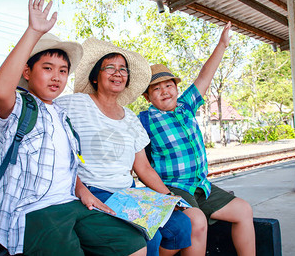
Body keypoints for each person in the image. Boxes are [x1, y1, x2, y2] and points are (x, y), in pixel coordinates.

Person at [0, 0, 147, 256]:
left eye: (63, 70)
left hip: (70, 203)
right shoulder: (19, 107)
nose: (57, 76)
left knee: (132, 245)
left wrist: (84, 193)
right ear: (27, 73)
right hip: (33, 210)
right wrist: (33, 32)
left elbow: (65, 167)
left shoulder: (61, 115)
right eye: (47, 68)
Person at [56, 38, 207, 256]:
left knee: (182, 225)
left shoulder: (131, 118)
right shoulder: (74, 104)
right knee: (151, 236)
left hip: (128, 192)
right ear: (95, 77)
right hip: (94, 189)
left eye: (123, 70)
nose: (118, 73)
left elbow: (144, 168)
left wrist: (168, 197)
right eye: (110, 68)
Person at [139, 22, 256, 256]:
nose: (165, 91)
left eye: (169, 85)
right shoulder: (144, 120)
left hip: (201, 185)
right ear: (147, 96)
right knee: (196, 221)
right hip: (173, 187)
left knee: (243, 210)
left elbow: (206, 74)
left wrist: (222, 45)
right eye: (156, 89)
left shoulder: (186, 106)